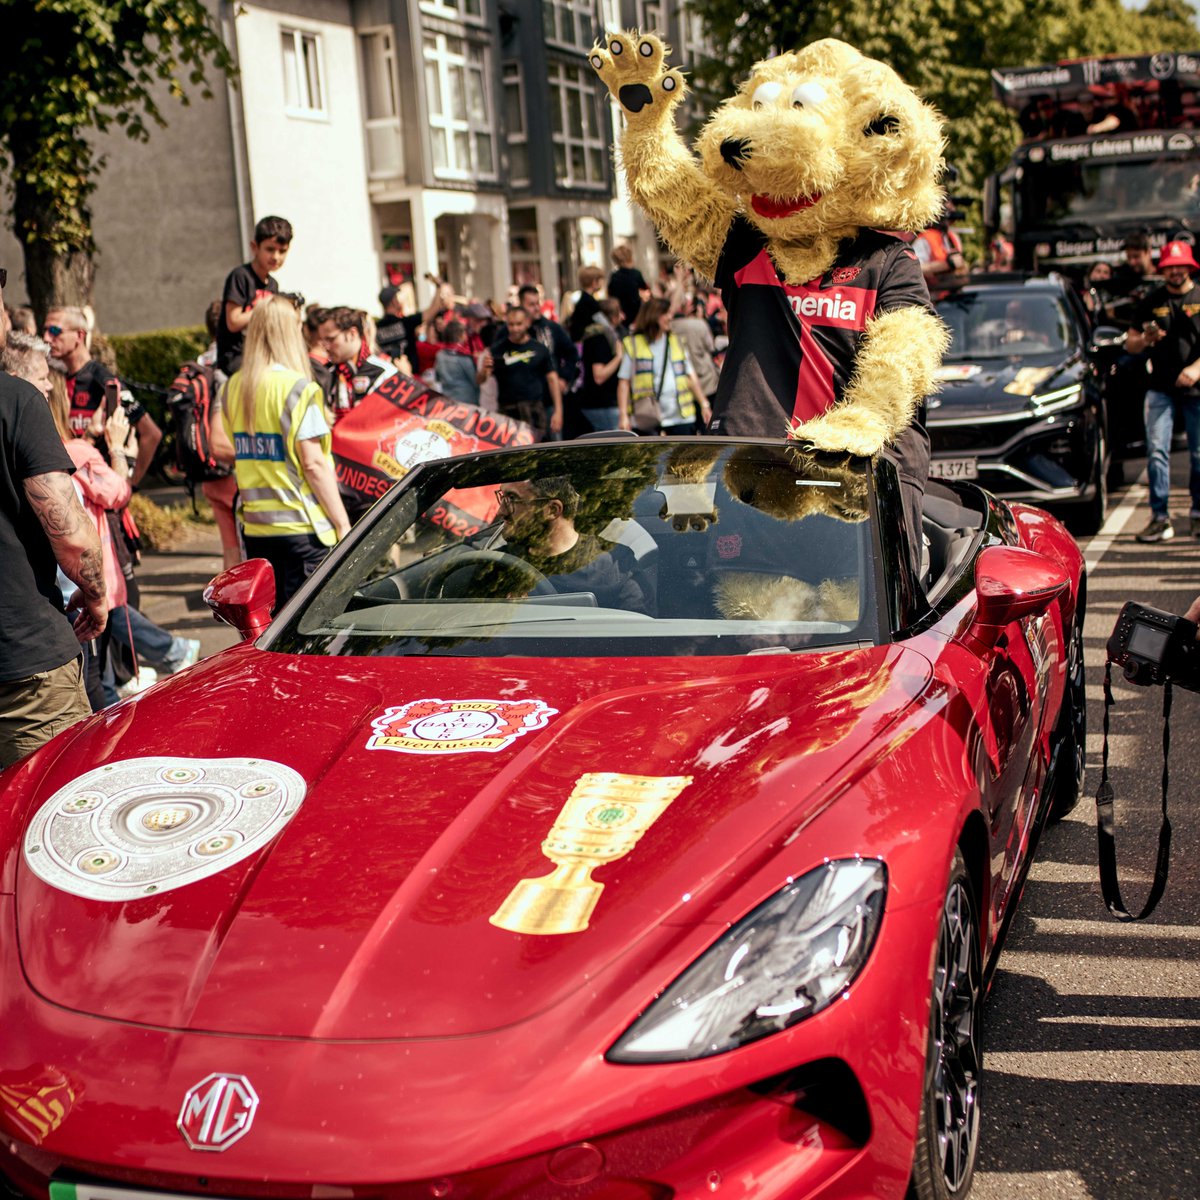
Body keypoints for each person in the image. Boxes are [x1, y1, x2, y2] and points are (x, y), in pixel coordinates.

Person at [0, 283, 106, 766]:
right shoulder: (17, 401)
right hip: (25, 672)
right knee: (52, 816)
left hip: (21, 662)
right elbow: (73, 536)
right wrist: (97, 593)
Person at [222, 298, 350, 606]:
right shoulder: (300, 389)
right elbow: (314, 464)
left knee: (273, 632)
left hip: (256, 529)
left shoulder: (233, 387)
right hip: (302, 529)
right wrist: (343, 524)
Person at [1125, 241, 1200, 543]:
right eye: (1170, 267)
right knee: (1156, 453)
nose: (1175, 272)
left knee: (1199, 455)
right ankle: (1159, 517)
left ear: (1190, 267)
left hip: (1197, 389)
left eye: (1180, 266)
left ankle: (1197, 515)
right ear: (1163, 270)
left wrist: (1196, 370)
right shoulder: (1151, 300)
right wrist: (1145, 339)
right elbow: (1130, 343)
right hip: (1160, 389)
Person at [42, 304, 162, 486]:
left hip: (104, 491)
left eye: (55, 331)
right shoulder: (56, 379)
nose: (46, 338)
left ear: (79, 336)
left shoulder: (102, 380)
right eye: (45, 331)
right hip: (77, 485)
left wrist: (131, 483)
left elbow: (152, 434)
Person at [495, 476, 646, 611]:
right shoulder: (499, 563)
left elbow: (641, 633)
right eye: (502, 497)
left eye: (512, 499)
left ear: (553, 510)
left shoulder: (616, 566)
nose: (500, 512)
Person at [617, 298, 710, 435]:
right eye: (666, 313)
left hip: (680, 417)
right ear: (653, 315)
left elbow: (690, 376)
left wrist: (704, 404)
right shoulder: (634, 344)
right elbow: (624, 382)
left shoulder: (676, 341)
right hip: (647, 417)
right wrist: (623, 415)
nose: (670, 317)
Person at [216, 214, 293, 376]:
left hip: (261, 356)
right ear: (254, 247)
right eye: (270, 249)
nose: (276, 257)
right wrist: (265, 308)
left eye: (282, 251)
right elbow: (234, 321)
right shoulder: (241, 276)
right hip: (236, 358)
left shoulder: (273, 284)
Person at [485, 305, 562, 441]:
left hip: (535, 411)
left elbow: (552, 379)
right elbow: (481, 379)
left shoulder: (539, 349)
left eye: (519, 324)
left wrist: (558, 411)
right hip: (507, 412)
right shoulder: (497, 349)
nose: (515, 329)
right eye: (511, 324)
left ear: (527, 322)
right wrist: (484, 369)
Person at [317, 307, 401, 421]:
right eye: (323, 341)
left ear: (352, 334)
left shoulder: (385, 373)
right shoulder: (327, 374)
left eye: (331, 339)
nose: (326, 346)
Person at [579, 298, 625, 432]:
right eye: (619, 313)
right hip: (602, 405)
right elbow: (599, 376)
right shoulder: (600, 337)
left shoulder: (597, 333)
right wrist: (618, 357)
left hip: (599, 404)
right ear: (613, 316)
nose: (622, 317)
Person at [672, 295, 721, 402]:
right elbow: (711, 348)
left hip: (683, 382)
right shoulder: (700, 324)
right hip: (706, 380)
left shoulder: (671, 327)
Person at [434, 320, 483, 404]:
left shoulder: (440, 354)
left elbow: (437, 377)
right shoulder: (463, 356)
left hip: (448, 399)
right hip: (467, 402)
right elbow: (475, 381)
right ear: (460, 335)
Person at [607, 243, 649, 328]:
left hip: (620, 310)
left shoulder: (615, 276)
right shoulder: (636, 273)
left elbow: (610, 293)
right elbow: (645, 288)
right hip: (635, 309)